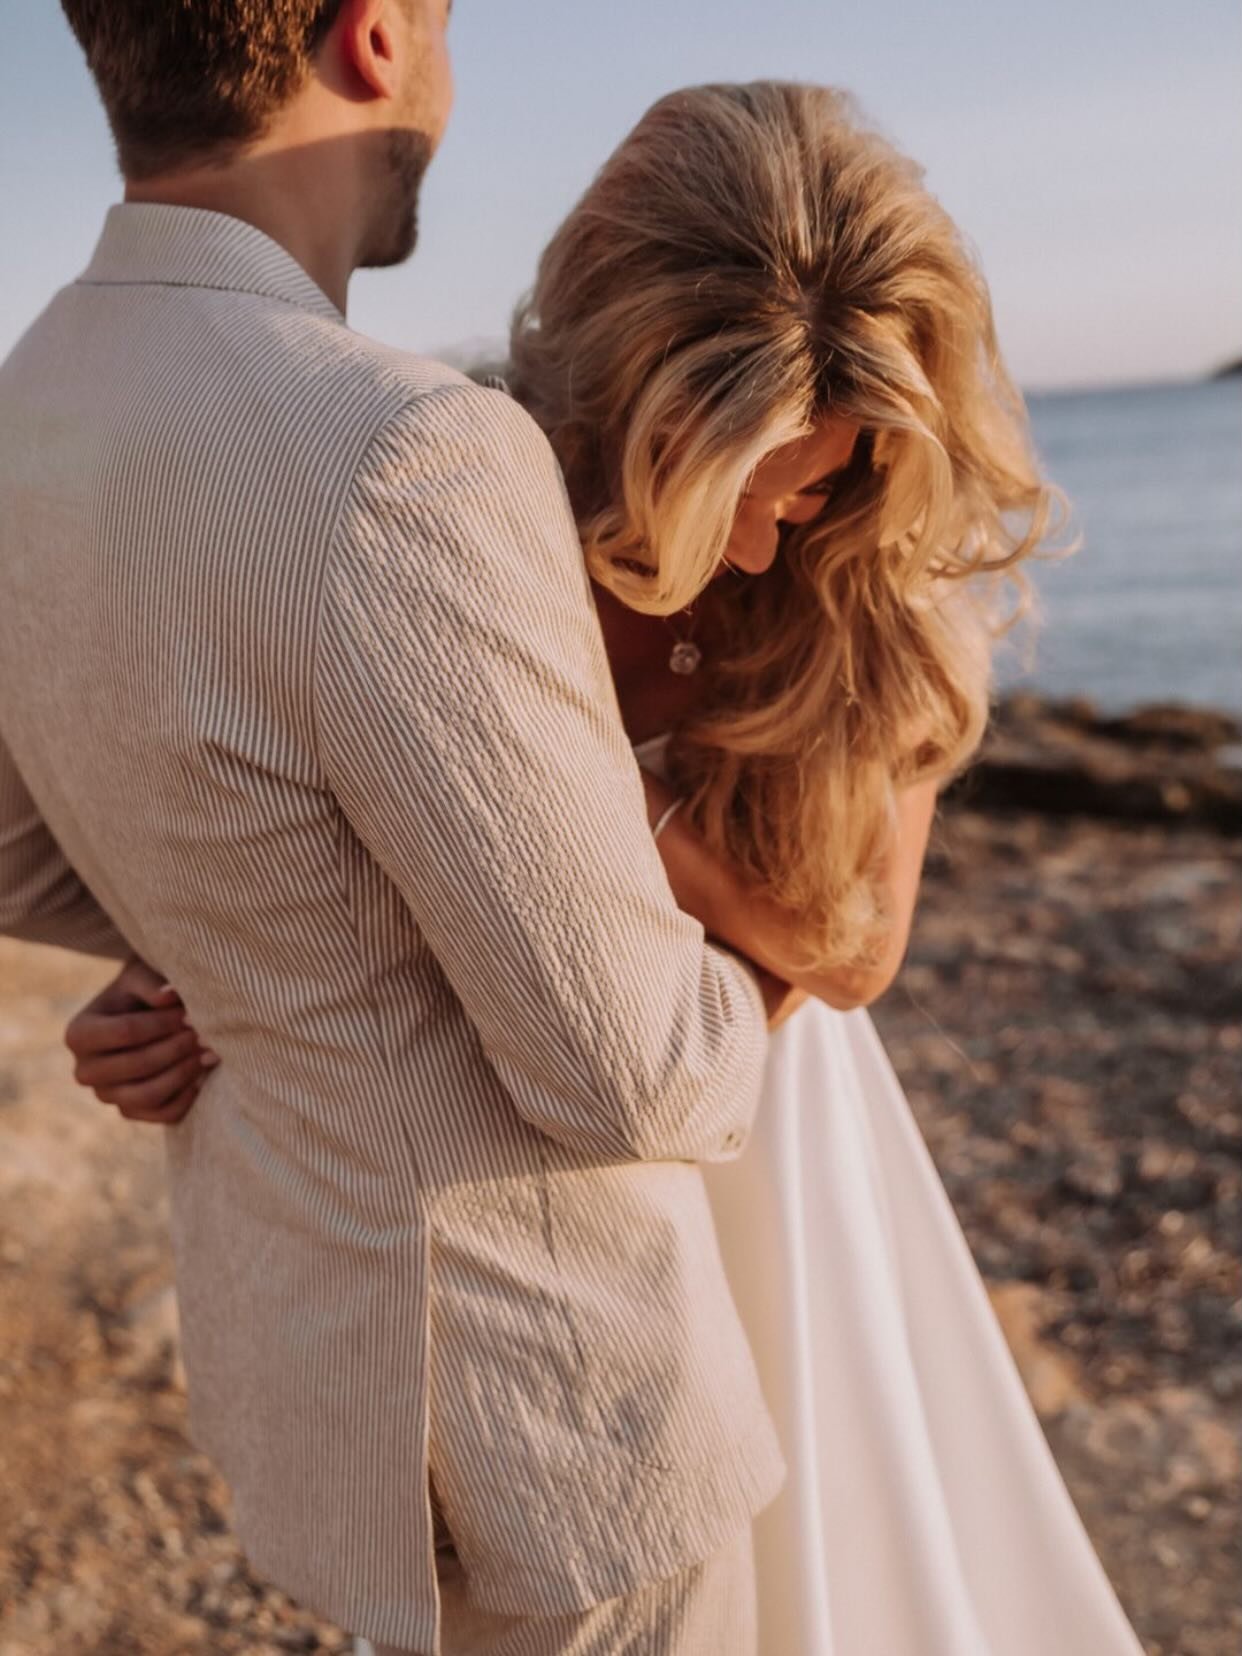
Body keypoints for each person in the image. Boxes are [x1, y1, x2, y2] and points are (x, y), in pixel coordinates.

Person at [68, 81, 1148, 1654]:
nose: (781, 539)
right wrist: (181, 974)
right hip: (497, 1195)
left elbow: (851, 951)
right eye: (754, 481)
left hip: (762, 1125)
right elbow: (336, 837)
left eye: (820, 479)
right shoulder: (445, 511)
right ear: (617, 393)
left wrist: (597, 822)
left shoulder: (868, 576)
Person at [0, 8, 798, 1655]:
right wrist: (772, 956)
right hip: (551, 1426)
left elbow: (19, 844)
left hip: (308, 1362)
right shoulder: (406, 449)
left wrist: (228, 947)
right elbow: (628, 1070)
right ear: (374, 35)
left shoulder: (28, 409)